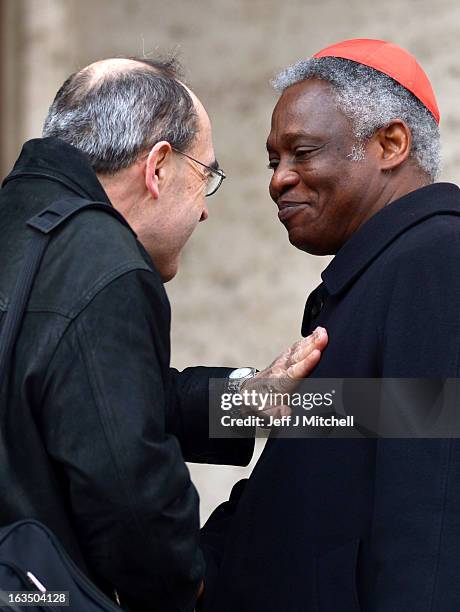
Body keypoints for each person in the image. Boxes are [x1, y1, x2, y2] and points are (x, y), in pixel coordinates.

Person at [0, 57, 328, 611]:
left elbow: (74, 395)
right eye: (207, 176)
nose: (203, 212)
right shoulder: (105, 263)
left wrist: (243, 402)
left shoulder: (24, 227)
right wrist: (188, 587)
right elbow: (129, 496)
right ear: (157, 168)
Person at [200, 39, 460, 611]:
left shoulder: (438, 259)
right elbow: (327, 457)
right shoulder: (375, 275)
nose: (278, 180)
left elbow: (432, 508)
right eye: (275, 161)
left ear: (391, 143)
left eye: (303, 152)